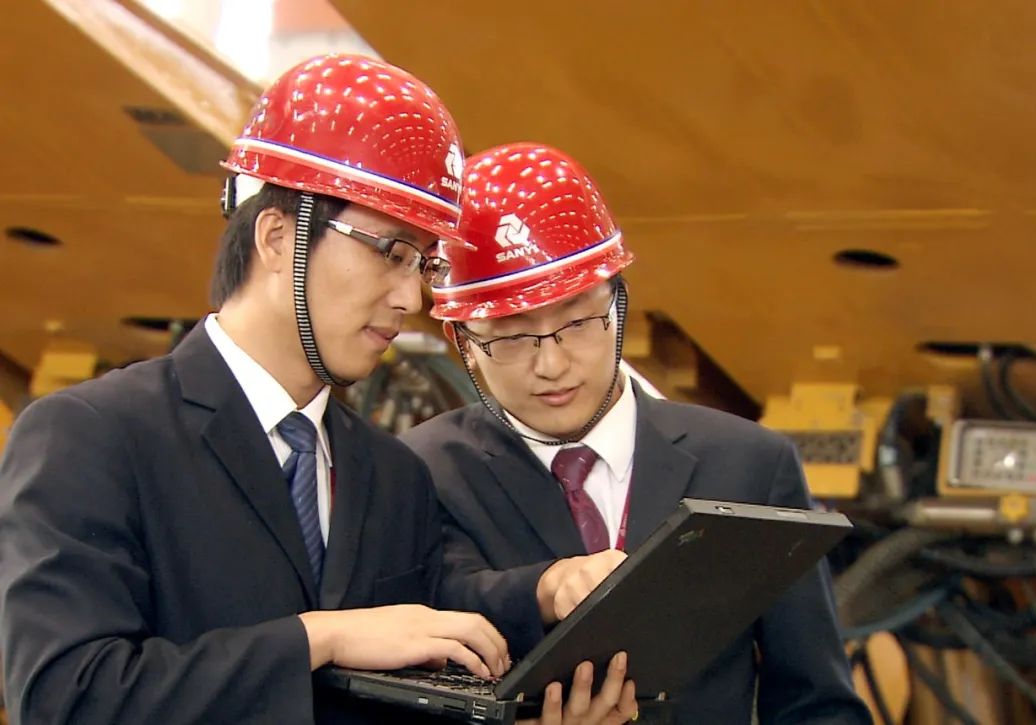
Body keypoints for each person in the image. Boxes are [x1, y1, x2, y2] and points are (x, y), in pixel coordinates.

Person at [0, 58, 634, 725]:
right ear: (277, 237)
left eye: (422, 263)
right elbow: (64, 693)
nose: (409, 297)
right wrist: (318, 639)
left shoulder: (392, 476)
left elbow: (422, 671)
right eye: (390, 252)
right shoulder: (92, 435)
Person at [400, 142, 873, 723]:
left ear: (618, 304)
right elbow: (440, 615)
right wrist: (546, 589)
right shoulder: (420, 473)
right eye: (512, 336)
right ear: (462, 342)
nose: (552, 364)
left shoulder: (749, 464)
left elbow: (816, 702)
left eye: (578, 322)